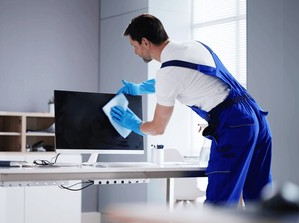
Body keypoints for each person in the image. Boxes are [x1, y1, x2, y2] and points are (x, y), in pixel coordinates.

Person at [110, 14, 272, 206]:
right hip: (255, 117)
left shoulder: (167, 74)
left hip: (235, 125)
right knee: (262, 200)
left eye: (134, 45)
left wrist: (134, 123)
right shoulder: (193, 47)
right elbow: (184, 78)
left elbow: (157, 128)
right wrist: (141, 87)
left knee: (220, 203)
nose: (135, 52)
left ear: (145, 42)